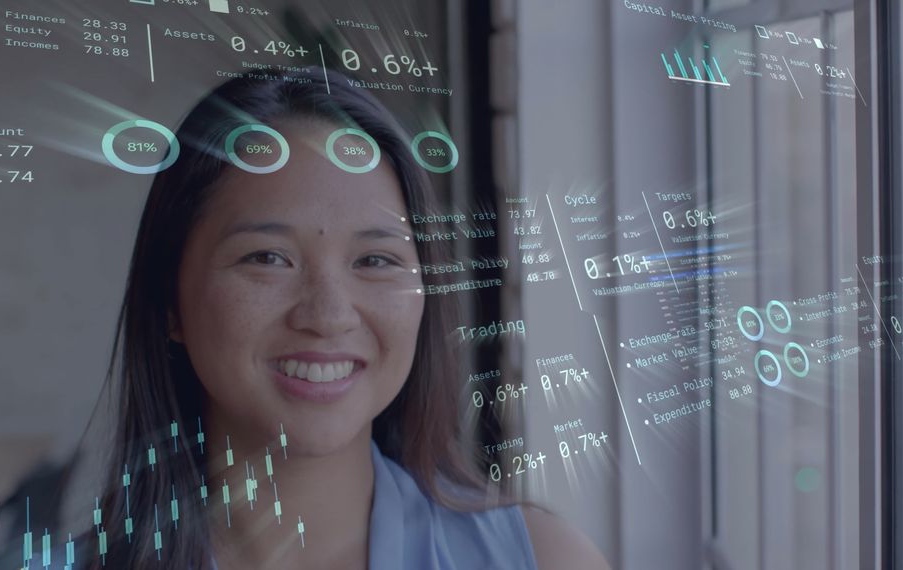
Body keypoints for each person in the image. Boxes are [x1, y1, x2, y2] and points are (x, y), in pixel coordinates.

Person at [87, 67, 610, 569]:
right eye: (268, 257)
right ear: (170, 301)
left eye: (375, 261)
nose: (329, 315)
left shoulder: (546, 561)